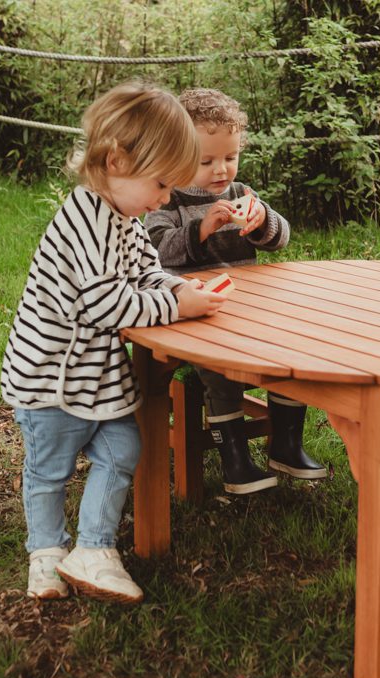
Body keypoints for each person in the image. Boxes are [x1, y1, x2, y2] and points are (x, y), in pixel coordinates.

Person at [1, 81, 227, 603]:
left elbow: (148, 270)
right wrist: (176, 307)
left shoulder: (124, 216)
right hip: (50, 379)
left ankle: (94, 548)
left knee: (123, 446)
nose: (167, 199)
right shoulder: (84, 221)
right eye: (162, 185)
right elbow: (102, 305)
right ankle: (46, 555)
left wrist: (180, 288)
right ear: (119, 162)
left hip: (96, 374)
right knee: (49, 469)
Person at [146, 88, 327, 494]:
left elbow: (280, 239)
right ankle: (235, 459)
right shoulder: (165, 200)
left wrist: (262, 221)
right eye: (206, 160)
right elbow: (156, 248)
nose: (221, 170)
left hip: (243, 311)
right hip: (190, 317)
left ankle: (286, 444)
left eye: (230, 157)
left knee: (288, 349)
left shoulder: (240, 193)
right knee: (219, 367)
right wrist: (201, 229)